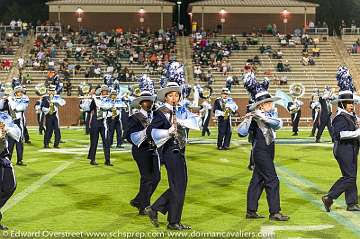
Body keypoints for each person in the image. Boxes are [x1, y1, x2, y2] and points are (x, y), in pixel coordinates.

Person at [144, 62, 201, 231]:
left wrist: (186, 121)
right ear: (165, 97)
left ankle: (155, 209)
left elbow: (193, 121)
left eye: (177, 95)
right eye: (171, 96)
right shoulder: (160, 113)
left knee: (180, 185)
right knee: (178, 186)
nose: (174, 98)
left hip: (180, 151)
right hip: (169, 151)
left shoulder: (181, 110)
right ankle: (172, 221)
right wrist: (168, 131)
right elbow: (150, 132)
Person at [238, 71, 289, 221]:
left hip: (269, 149)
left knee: (257, 180)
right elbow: (241, 133)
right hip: (260, 151)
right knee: (272, 180)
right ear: (261, 105)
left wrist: (261, 116)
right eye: (268, 103)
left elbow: (278, 124)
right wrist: (248, 119)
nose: (271, 104)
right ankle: (275, 212)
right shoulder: (253, 118)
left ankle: (251, 211)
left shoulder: (269, 115)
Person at [322, 66, 360, 212]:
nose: (352, 106)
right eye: (350, 103)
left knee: (351, 175)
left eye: (353, 103)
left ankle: (351, 203)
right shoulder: (339, 117)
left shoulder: (351, 116)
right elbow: (340, 135)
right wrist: (358, 132)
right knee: (349, 177)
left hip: (351, 148)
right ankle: (329, 197)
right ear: (343, 103)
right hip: (343, 149)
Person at [126, 77, 159, 215]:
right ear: (141, 103)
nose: (149, 103)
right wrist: (144, 135)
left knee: (156, 178)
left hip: (153, 150)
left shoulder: (155, 115)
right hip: (141, 150)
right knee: (146, 177)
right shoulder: (135, 117)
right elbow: (128, 135)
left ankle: (139, 200)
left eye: (151, 100)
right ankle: (144, 206)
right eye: (147, 101)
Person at [0, 111, 21, 230]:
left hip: (2, 157)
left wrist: (6, 128)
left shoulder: (4, 116)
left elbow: (17, 134)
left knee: (10, 186)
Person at [85, 85, 113, 166]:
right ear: (101, 92)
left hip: (104, 123)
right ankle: (92, 159)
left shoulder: (109, 100)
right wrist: (86, 101)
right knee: (94, 141)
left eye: (107, 92)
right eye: (104, 91)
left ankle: (107, 160)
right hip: (95, 122)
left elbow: (109, 108)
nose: (105, 93)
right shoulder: (95, 100)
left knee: (106, 142)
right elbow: (89, 109)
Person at [7, 86, 28, 166]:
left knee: (19, 142)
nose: (20, 93)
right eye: (18, 92)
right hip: (10, 122)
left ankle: (20, 160)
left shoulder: (24, 99)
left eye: (21, 92)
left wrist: (10, 100)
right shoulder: (10, 99)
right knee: (10, 143)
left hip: (19, 122)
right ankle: (8, 160)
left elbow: (18, 108)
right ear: (15, 92)